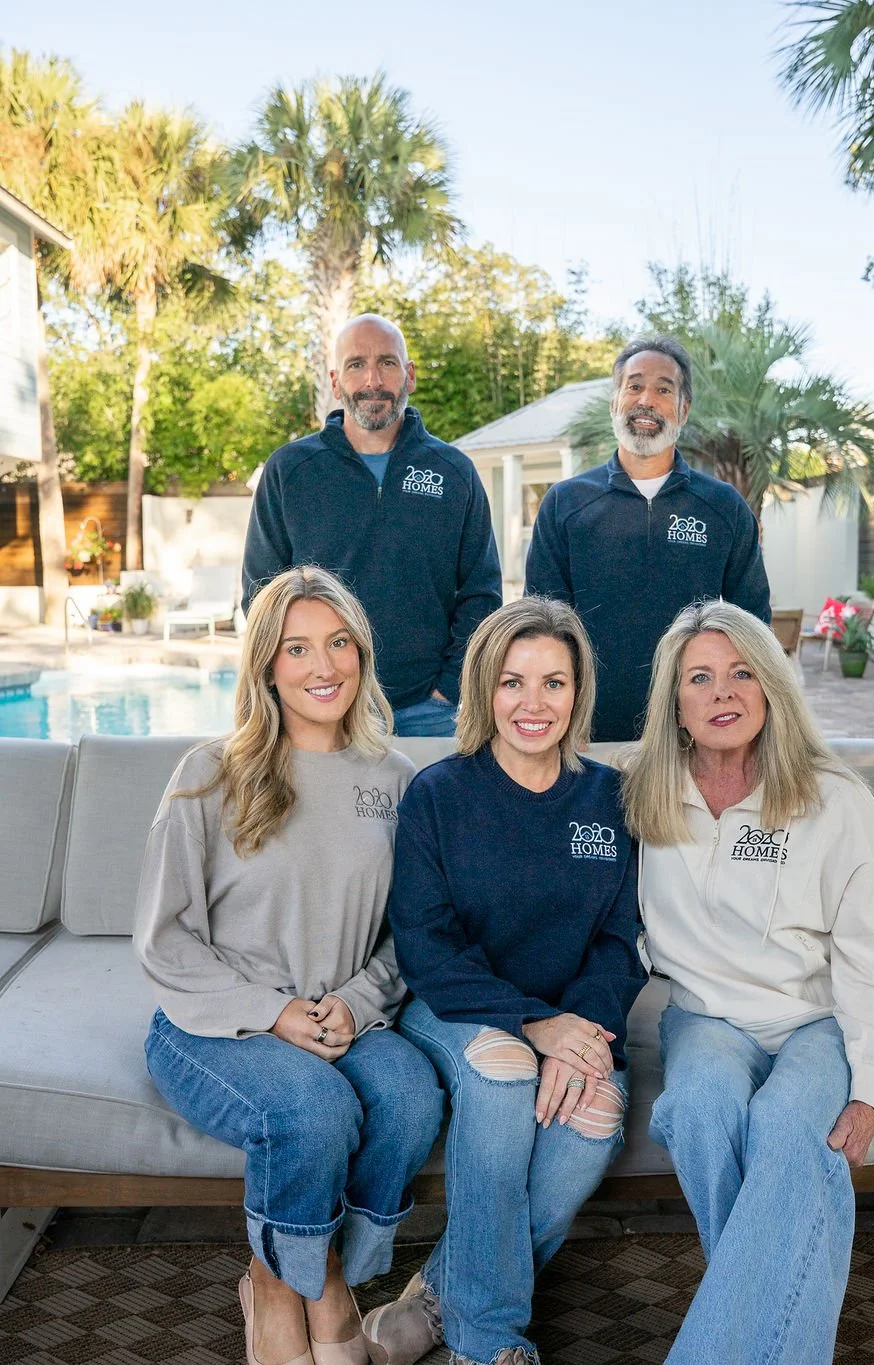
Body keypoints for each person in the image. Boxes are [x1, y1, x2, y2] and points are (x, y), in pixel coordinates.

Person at [135, 565, 444, 1365]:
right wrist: (270, 1012)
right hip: (218, 1020)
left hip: (342, 1014)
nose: (323, 666)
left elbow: (411, 932)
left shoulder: (396, 780)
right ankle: (294, 1283)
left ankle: (314, 1265)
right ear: (267, 665)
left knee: (411, 1096)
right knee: (313, 1109)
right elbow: (165, 937)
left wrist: (358, 1000)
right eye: (297, 648)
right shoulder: (210, 771)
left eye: (339, 642)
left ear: (362, 653)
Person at [621, 599, 874, 1365]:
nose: (722, 691)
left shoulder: (833, 797)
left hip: (815, 1018)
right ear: (675, 703)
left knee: (792, 1129)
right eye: (699, 677)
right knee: (699, 1107)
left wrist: (872, 1083)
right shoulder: (639, 793)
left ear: (771, 686)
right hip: (702, 1016)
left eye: (741, 672)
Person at [364, 597, 647, 1365]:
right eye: (513, 681)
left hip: (570, 1014)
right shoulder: (439, 793)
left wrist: (577, 1030)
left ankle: (437, 1295)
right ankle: (487, 1340)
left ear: (578, 691)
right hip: (457, 1007)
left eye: (554, 682)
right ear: (484, 687)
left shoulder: (609, 798)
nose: (533, 703)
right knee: (503, 1071)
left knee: (594, 1115)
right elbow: (427, 946)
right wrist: (532, 1023)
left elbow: (621, 940)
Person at [242, 314, 503, 737]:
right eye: (356, 365)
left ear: (409, 375)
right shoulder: (290, 471)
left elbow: (482, 593)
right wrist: (300, 683)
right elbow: (261, 595)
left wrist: (450, 688)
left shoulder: (453, 472)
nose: (373, 380)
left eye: (387, 363)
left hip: (429, 712)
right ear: (335, 381)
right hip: (322, 704)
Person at [524, 335, 771, 742]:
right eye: (634, 386)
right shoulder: (565, 503)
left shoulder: (723, 507)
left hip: (692, 733)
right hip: (586, 733)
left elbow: (753, 624)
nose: (646, 400)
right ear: (614, 402)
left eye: (663, 389)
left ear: (684, 409)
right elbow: (541, 626)